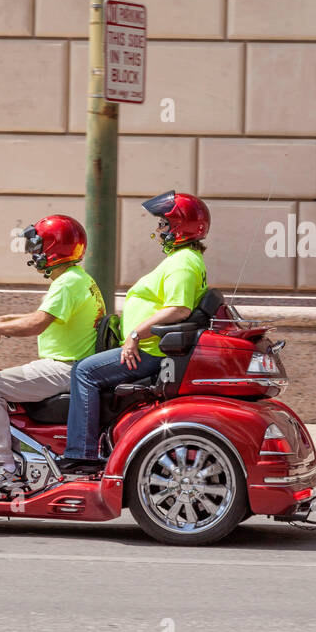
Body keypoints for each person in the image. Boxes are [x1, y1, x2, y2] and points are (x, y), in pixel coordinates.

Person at [60, 191, 209, 472]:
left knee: (84, 371)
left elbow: (178, 309)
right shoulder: (186, 259)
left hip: (149, 351)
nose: (158, 230)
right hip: (149, 348)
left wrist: (135, 335)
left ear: (179, 227)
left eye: (163, 224)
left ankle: (82, 454)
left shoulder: (183, 262)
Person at [0, 214, 104, 493]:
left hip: (62, 368)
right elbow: (38, 315)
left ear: (53, 248)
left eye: (38, 247)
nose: (34, 254)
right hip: (71, 365)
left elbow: (36, 323)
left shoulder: (66, 284)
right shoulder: (78, 279)